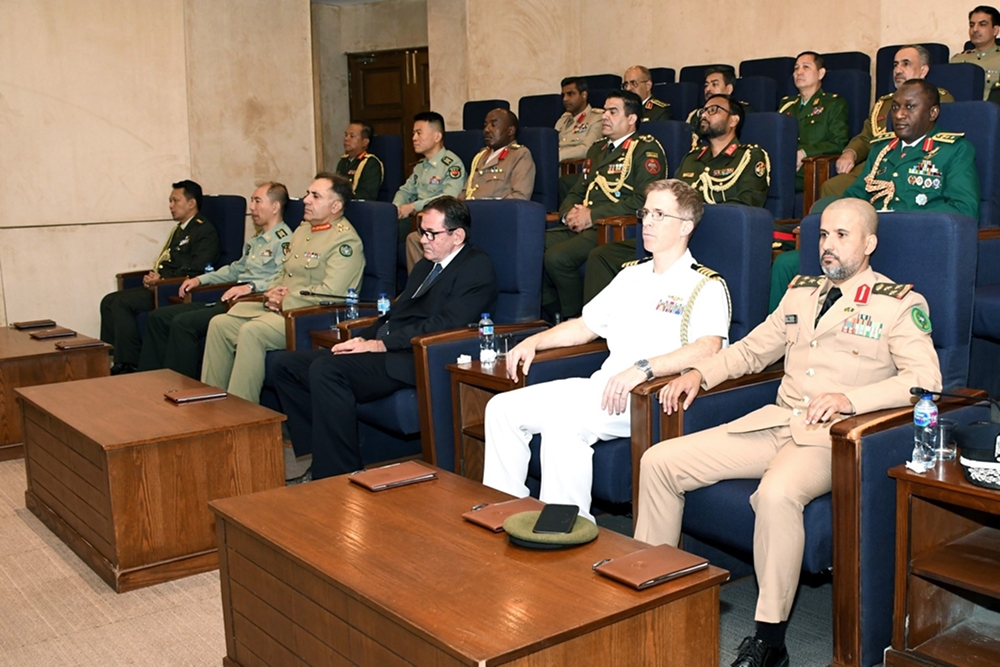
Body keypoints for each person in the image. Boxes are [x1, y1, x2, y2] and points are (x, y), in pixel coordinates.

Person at [636, 198, 942, 667]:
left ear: (869, 244)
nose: (828, 245)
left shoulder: (898, 304)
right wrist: (700, 374)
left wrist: (850, 400)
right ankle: (650, 599)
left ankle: (769, 639)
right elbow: (752, 350)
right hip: (777, 423)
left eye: (841, 236)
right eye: (823, 235)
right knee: (659, 461)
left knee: (776, 495)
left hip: (833, 439)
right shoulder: (802, 293)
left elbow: (925, 380)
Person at [483, 180, 730, 520]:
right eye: (646, 213)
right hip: (604, 387)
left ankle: (563, 527)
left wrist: (644, 368)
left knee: (564, 424)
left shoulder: (704, 284)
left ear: (686, 226)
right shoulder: (630, 276)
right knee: (502, 408)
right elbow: (585, 327)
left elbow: (709, 348)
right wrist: (535, 341)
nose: (647, 222)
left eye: (660, 215)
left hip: (647, 396)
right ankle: (504, 510)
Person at [271, 196, 498, 480]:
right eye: (422, 231)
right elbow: (394, 314)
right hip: (390, 348)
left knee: (327, 369)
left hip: (418, 357)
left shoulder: (476, 267)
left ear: (458, 236)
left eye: (431, 234)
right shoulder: (426, 265)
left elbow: (446, 324)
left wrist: (380, 344)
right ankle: (320, 453)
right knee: (285, 366)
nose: (423, 240)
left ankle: (337, 474)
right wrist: (362, 338)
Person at [771, 79, 980, 310]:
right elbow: (855, 195)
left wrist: (900, 220)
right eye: (895, 107)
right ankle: (783, 332)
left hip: (914, 244)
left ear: (933, 113)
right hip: (863, 243)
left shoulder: (954, 150)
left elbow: (964, 210)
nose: (899, 114)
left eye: (910, 107)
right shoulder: (882, 149)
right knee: (786, 264)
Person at [582, 94, 769, 304]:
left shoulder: (749, 156)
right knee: (601, 255)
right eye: (703, 110)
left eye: (713, 110)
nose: (704, 115)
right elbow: (668, 198)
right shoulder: (692, 158)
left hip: (718, 236)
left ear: (733, 120)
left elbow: (748, 207)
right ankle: (601, 322)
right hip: (674, 235)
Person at [201, 173, 364, 403]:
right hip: (279, 309)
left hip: (309, 316)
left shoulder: (345, 241)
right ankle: (210, 403)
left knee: (252, 332)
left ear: (335, 206)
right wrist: (272, 290)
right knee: (220, 324)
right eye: (308, 194)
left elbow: (332, 292)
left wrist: (285, 301)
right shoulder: (303, 230)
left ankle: (242, 413)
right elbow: (283, 271)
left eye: (315, 196)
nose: (306, 200)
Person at [137, 182, 293, 378]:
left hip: (250, 301)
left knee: (183, 323)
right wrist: (200, 280)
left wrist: (251, 287)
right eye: (252, 201)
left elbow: (282, 276)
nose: (252, 207)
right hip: (230, 297)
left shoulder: (284, 240)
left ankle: (181, 385)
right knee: (159, 317)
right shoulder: (256, 240)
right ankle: (149, 380)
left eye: (257, 201)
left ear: (275, 206)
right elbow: (234, 270)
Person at [543, 90, 666, 320]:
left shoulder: (645, 149)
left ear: (632, 118)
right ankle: (552, 312)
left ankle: (575, 320)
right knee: (531, 246)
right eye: (605, 111)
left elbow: (642, 201)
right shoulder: (597, 149)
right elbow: (577, 190)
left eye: (613, 111)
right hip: (582, 222)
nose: (605, 116)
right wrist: (568, 214)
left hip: (610, 226)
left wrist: (592, 216)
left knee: (556, 258)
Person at [99, 180, 219, 375]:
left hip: (174, 289)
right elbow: (168, 261)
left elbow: (198, 268)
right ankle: (110, 357)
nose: (171, 206)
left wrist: (162, 280)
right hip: (161, 284)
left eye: (175, 201)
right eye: (170, 201)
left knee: (122, 304)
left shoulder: (204, 231)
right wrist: (155, 276)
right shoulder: (179, 230)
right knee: (108, 301)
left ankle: (129, 363)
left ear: (191, 203)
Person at [403, 108, 535, 268]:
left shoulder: (520, 155)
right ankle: (427, 283)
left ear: (511, 130)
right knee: (415, 239)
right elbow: (465, 193)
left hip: (493, 222)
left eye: (493, 125)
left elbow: (520, 198)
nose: (487, 129)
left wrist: (481, 213)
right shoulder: (480, 156)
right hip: (468, 221)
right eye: (485, 125)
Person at [822, 45, 954, 198]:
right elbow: (865, 138)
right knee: (832, 187)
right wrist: (850, 152)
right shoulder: (883, 104)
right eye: (895, 65)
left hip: (917, 163)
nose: (898, 70)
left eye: (906, 64)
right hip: (878, 165)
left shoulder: (939, 99)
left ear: (923, 70)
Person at [392, 111, 466, 270]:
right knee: (381, 225)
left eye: (419, 133)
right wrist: (396, 208)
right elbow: (405, 191)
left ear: (437, 136)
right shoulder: (420, 166)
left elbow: (449, 198)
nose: (414, 138)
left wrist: (413, 207)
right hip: (416, 221)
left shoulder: (452, 165)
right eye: (413, 133)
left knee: (403, 235)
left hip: (439, 223)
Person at [778, 52, 849, 191]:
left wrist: (804, 152)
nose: (799, 72)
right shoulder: (786, 104)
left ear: (821, 73)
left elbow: (838, 142)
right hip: (782, 166)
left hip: (809, 169)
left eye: (806, 67)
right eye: (796, 68)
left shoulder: (833, 104)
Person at [685, 66, 755, 148]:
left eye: (714, 84)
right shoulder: (695, 114)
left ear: (728, 89)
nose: (708, 89)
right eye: (706, 85)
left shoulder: (741, 111)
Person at [951, 6, 1000, 99]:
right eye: (972, 25)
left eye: (982, 24)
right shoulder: (957, 60)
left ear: (995, 30)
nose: (975, 29)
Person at [556, 76, 605, 162]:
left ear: (584, 95)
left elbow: (588, 149)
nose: (565, 99)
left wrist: (556, 156)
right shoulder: (562, 120)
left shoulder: (597, 118)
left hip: (576, 167)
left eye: (570, 94)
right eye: (563, 95)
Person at [336, 121, 384, 200]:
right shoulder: (343, 161)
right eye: (346, 135)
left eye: (352, 136)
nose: (346, 139)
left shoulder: (370, 163)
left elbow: (367, 195)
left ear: (365, 142)